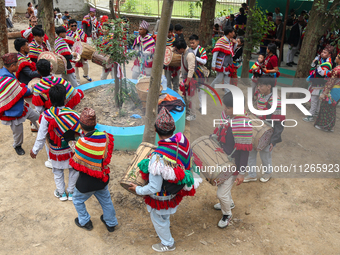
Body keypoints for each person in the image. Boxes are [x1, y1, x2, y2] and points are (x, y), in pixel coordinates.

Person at [128, 107, 199, 252]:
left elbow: (154, 187)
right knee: (164, 216)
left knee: (158, 217)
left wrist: (138, 189)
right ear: (173, 128)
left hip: (164, 193)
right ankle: (165, 223)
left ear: (155, 129)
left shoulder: (158, 157)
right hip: (177, 187)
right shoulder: (183, 140)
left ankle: (168, 243)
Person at [70, 108, 118, 232]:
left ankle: (85, 221)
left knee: (77, 199)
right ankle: (111, 223)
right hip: (102, 179)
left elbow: (76, 164)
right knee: (106, 200)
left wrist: (74, 148)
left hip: (85, 183)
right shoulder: (105, 137)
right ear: (95, 124)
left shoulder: (81, 143)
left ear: (81, 126)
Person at [30, 84, 81, 201]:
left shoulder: (46, 116)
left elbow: (41, 136)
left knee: (57, 171)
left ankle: (61, 193)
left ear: (50, 99)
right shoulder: (73, 114)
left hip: (55, 150)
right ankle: (71, 192)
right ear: (65, 98)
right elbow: (81, 132)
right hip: (71, 150)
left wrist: (35, 150)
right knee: (74, 170)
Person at [212, 92, 252, 227]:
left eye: (228, 107)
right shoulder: (227, 116)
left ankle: (227, 214)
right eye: (225, 106)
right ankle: (229, 202)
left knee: (221, 193)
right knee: (221, 184)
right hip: (223, 159)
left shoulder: (243, 125)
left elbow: (244, 152)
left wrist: (241, 173)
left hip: (232, 164)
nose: (224, 109)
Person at [244, 76, 285, 183]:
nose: (258, 87)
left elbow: (280, 123)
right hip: (256, 129)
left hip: (268, 132)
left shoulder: (277, 101)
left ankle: (268, 173)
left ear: (269, 87)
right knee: (251, 151)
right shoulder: (260, 95)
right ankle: (252, 174)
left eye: (261, 85)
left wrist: (274, 140)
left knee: (265, 154)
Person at [0, 53, 39, 155]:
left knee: (37, 118)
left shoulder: (5, 73)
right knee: (18, 132)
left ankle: (43, 134)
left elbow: (17, 87)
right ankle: (17, 146)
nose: (18, 66)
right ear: (12, 66)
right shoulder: (6, 78)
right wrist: (32, 88)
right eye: (17, 64)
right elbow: (21, 91)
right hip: (12, 111)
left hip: (21, 106)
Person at [175, 39, 205, 121]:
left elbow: (191, 69)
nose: (177, 51)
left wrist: (187, 81)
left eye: (177, 49)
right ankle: (188, 110)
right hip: (187, 79)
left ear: (181, 48)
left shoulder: (189, 55)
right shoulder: (184, 52)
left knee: (192, 97)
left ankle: (193, 115)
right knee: (187, 96)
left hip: (192, 80)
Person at [304, 45, 333, 122]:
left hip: (319, 84)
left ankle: (310, 116)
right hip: (316, 82)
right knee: (316, 100)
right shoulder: (320, 59)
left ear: (329, 55)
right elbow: (312, 66)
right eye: (322, 52)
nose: (322, 53)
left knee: (314, 100)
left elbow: (323, 73)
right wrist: (315, 63)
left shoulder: (328, 64)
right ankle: (316, 113)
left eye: (325, 52)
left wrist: (317, 65)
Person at [314, 53, 340, 132]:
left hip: (333, 90)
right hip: (338, 92)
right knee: (332, 108)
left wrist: (324, 93)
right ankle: (330, 126)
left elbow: (331, 83)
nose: (335, 57)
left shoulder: (337, 70)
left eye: (337, 56)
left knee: (326, 107)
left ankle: (323, 125)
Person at [210, 26, 238, 93]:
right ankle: (210, 88)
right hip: (221, 63)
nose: (234, 33)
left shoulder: (230, 41)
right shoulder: (221, 41)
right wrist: (213, 64)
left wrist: (236, 43)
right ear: (229, 33)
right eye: (233, 32)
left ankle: (227, 93)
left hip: (228, 64)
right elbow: (215, 53)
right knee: (219, 78)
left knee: (227, 80)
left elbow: (232, 51)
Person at [164, 24, 180, 91]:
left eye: (171, 32)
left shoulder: (176, 38)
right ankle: (169, 95)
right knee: (167, 82)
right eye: (168, 32)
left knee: (176, 81)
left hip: (176, 64)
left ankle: (175, 95)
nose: (170, 34)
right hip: (167, 64)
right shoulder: (162, 40)